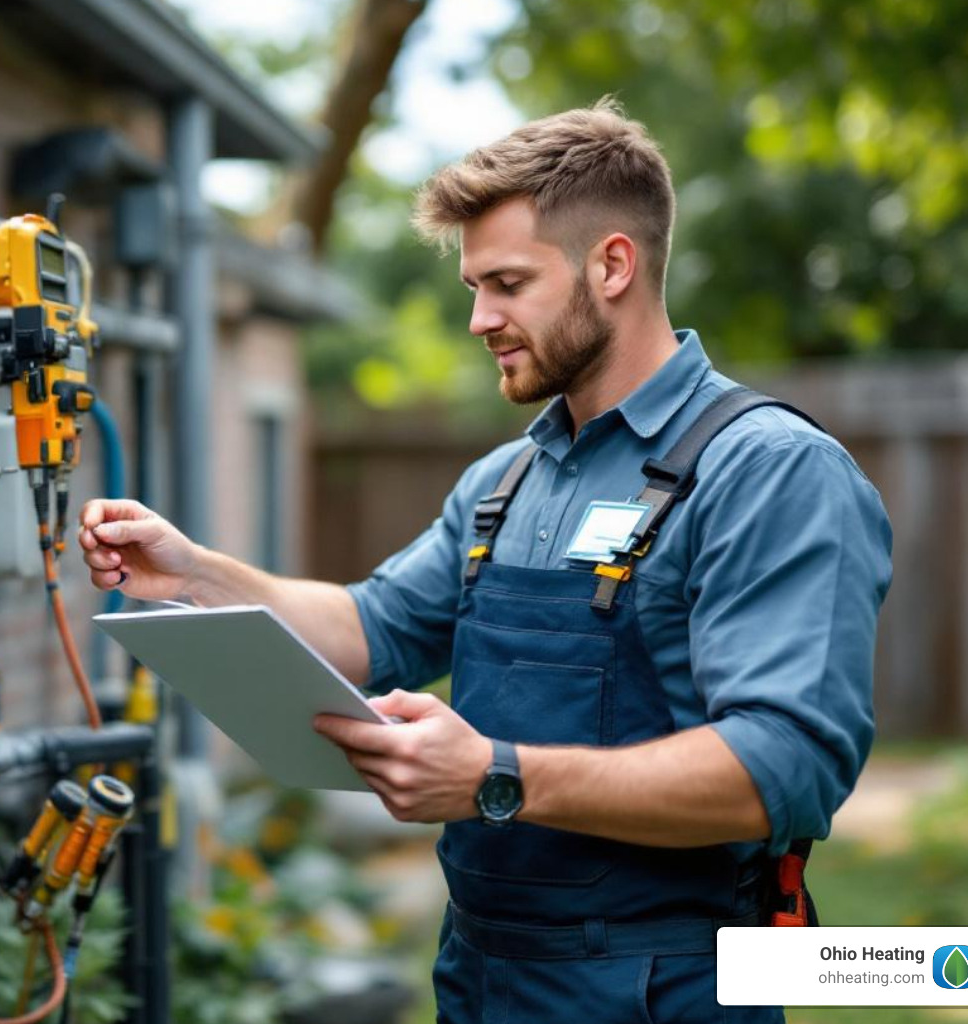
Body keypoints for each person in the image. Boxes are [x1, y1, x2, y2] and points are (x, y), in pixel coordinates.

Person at [79, 100, 891, 1023]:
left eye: (506, 283)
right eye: (474, 286)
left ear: (613, 265)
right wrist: (193, 574)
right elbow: (372, 628)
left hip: (664, 984)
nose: (479, 319)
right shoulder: (506, 482)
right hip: (482, 973)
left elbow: (783, 766)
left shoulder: (769, 472)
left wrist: (497, 776)